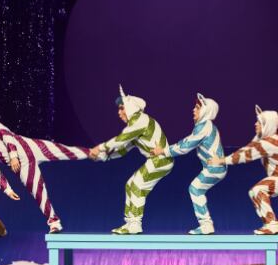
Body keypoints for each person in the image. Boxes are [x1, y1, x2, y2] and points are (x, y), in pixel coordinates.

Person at [90, 85, 174, 234]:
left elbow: (121, 139)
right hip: (157, 160)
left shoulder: (140, 120)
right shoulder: (135, 125)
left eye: (122, 108)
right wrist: (103, 157)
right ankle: (130, 223)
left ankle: (135, 224)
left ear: (130, 108)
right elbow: (123, 149)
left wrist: (100, 148)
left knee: (136, 185)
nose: (119, 113)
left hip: (161, 159)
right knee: (130, 185)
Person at [152, 93, 226, 234]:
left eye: (197, 107)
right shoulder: (207, 126)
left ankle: (206, 225)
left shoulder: (204, 127)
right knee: (196, 189)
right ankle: (206, 224)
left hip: (215, 168)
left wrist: (163, 151)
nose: (193, 110)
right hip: (214, 167)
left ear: (205, 111)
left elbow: (185, 146)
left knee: (195, 188)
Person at [209, 105, 278, 234]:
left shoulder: (269, 142)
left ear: (267, 125)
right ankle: (270, 223)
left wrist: (221, 160)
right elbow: (251, 146)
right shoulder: (268, 140)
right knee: (255, 192)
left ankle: (272, 224)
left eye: (259, 122)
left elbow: (246, 154)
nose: (255, 124)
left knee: (258, 190)